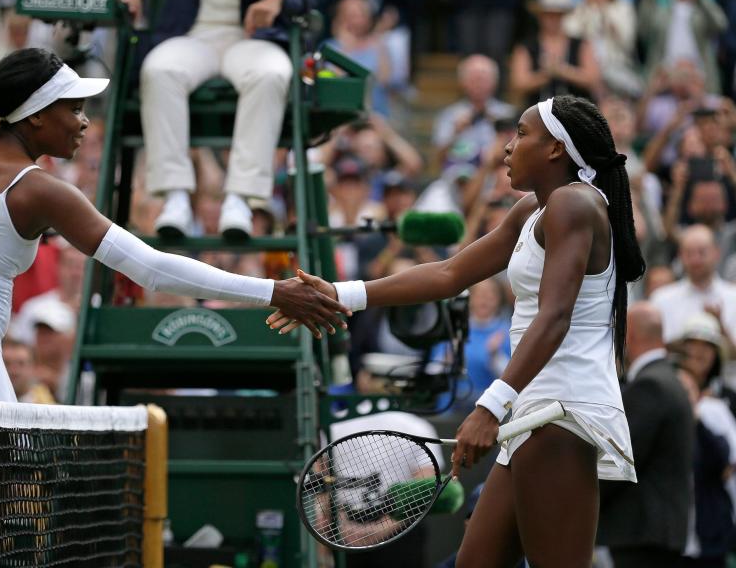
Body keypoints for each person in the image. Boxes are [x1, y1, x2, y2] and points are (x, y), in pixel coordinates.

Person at [0, 48, 348, 402]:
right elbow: (150, 267)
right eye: (74, 109)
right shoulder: (41, 189)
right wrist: (271, 292)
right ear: (35, 116)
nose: (84, 121)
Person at [270, 94, 646, 567]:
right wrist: (342, 294)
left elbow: (555, 317)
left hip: (561, 414)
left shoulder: (573, 203)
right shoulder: (535, 210)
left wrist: (490, 406)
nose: (507, 148)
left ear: (555, 148)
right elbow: (449, 273)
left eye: (522, 134)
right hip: (533, 414)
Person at [119, 0, 311, 239]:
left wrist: (279, 0)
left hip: (250, 37)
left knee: (272, 73)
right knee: (160, 70)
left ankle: (241, 198)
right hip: (193, 32)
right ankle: (175, 195)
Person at [597, 302, 694, 567]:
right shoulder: (670, 380)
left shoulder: (649, 385)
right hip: (658, 532)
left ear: (630, 336)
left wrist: (581, 500)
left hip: (641, 531)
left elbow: (621, 461)